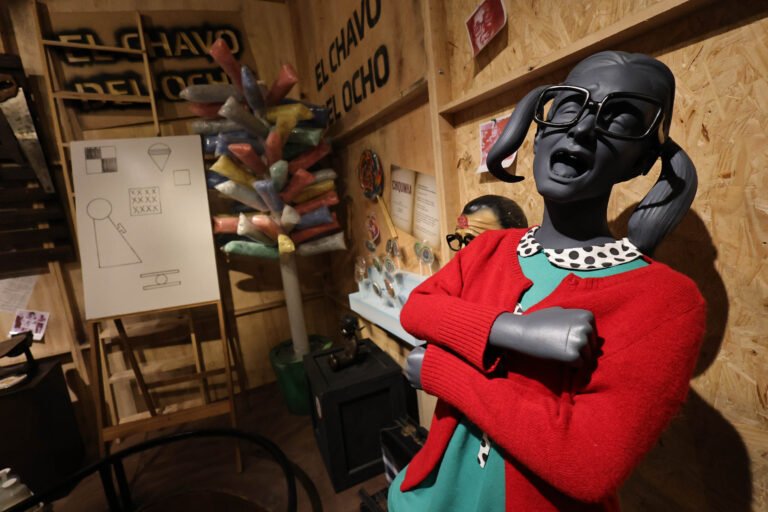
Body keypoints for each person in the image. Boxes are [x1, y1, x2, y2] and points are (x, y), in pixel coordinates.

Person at [388, 51, 706, 511]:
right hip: (430, 497)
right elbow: (418, 308)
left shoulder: (665, 300)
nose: (583, 129)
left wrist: (442, 370)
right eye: (571, 105)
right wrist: (515, 331)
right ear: (540, 130)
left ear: (641, 162)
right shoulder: (490, 248)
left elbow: (587, 465)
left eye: (619, 120)